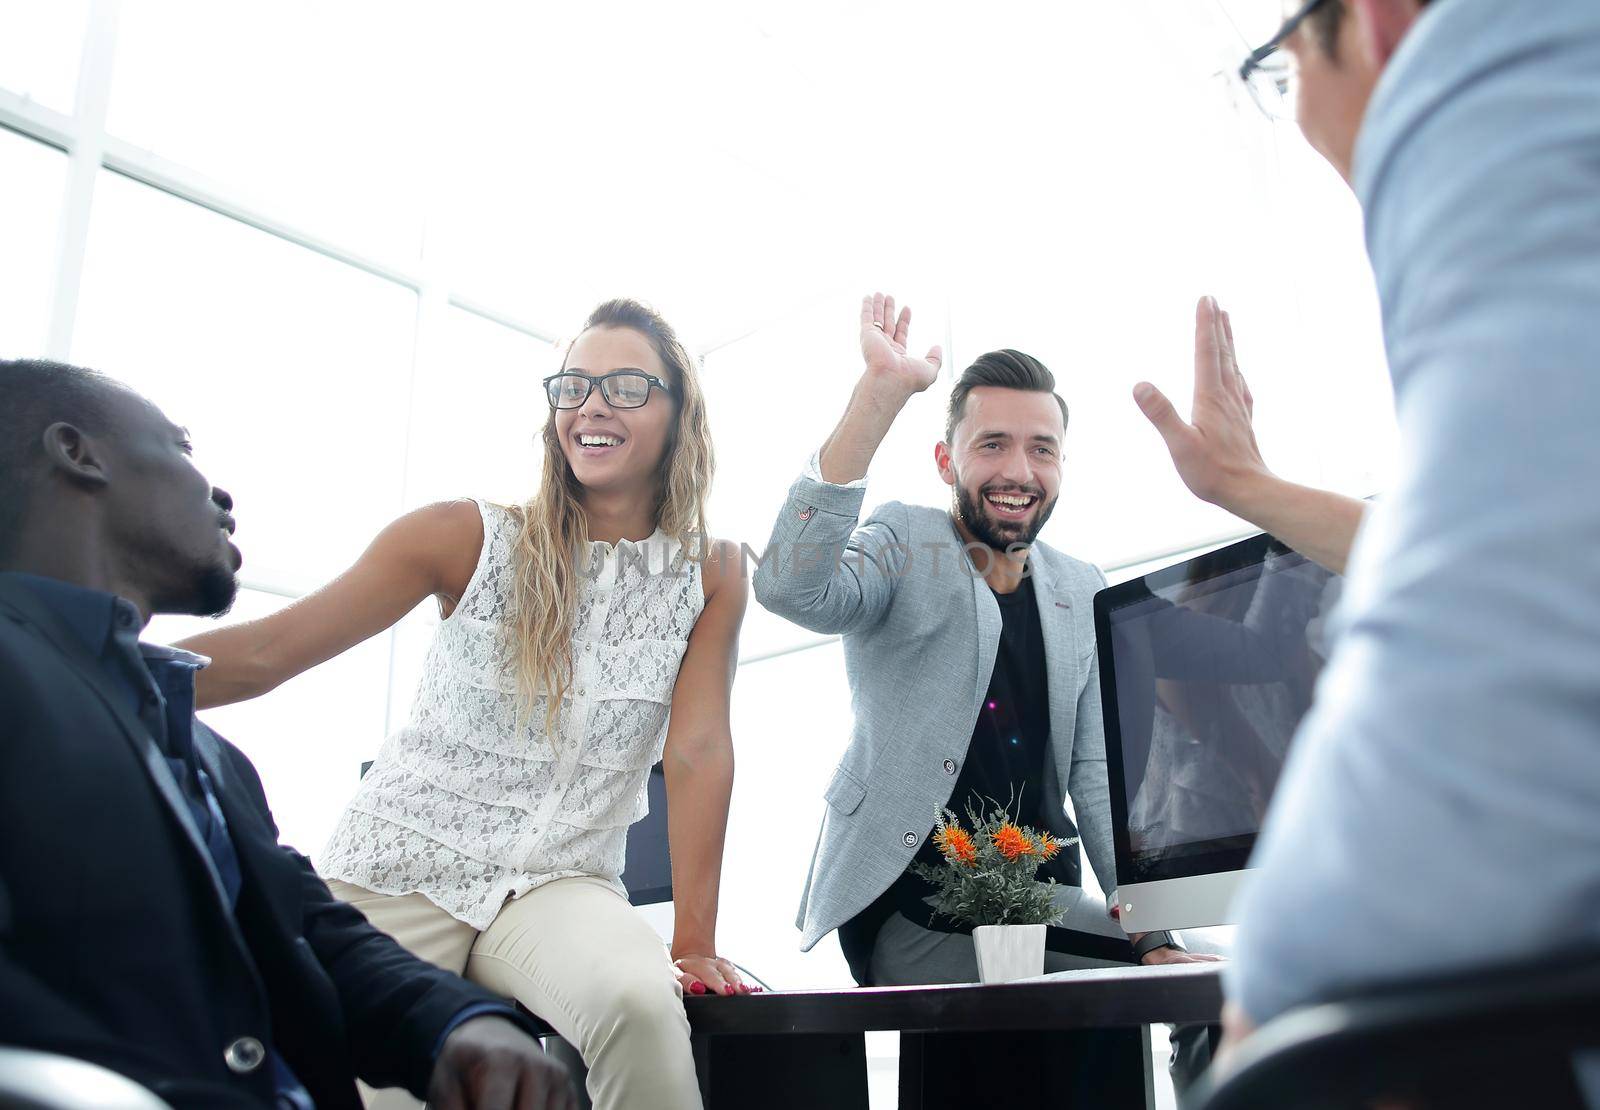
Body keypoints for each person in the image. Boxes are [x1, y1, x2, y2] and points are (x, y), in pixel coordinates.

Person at [1146, 0, 1600, 1057]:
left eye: (1284, 68)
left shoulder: (1493, 83)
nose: (1300, 117)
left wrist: (1272, 985)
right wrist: (1243, 485)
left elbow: (1522, 619)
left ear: (1382, 21)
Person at [177, 299, 748, 1110]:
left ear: (679, 411)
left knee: (640, 1004)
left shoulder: (714, 572)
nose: (591, 404)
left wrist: (694, 940)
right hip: (397, 871)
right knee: (372, 1081)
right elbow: (270, 653)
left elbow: (696, 751)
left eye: (625, 385)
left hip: (563, 882)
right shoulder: (463, 536)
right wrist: (87, 654)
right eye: (574, 385)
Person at [0, 358, 576, 1110]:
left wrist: (457, 1023)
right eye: (178, 448)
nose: (221, 494)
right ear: (79, 454)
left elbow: (313, 933)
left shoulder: (208, 754)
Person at [752, 293, 1221, 990]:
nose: (1019, 473)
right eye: (992, 445)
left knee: (1208, 972)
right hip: (915, 905)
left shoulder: (1082, 586)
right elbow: (792, 589)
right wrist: (879, 397)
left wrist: (1151, 932)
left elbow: (1094, 775)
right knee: (1172, 983)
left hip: (1041, 900)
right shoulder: (907, 539)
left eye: (1041, 450)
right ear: (947, 461)